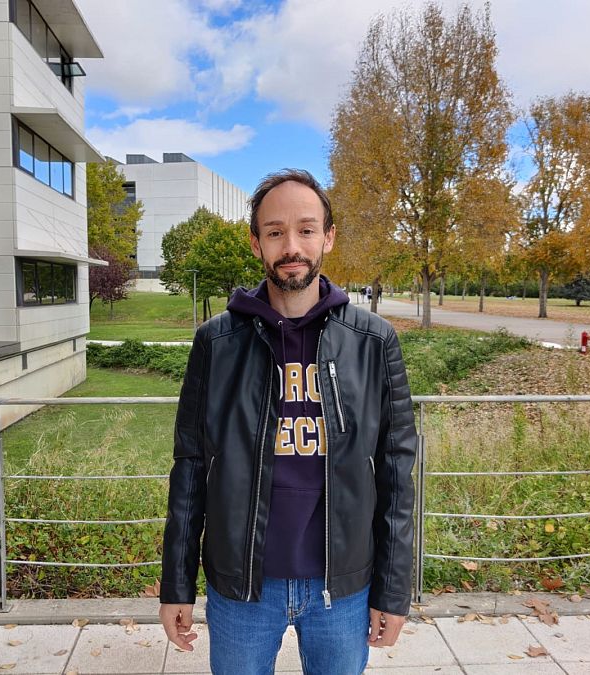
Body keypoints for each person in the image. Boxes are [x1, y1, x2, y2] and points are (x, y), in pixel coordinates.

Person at [159, 169, 417, 675]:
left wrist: (392, 589)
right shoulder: (216, 342)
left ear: (328, 237)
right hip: (242, 589)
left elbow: (396, 473)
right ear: (256, 243)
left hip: (342, 588)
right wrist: (177, 584)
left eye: (306, 229)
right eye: (275, 232)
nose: (291, 246)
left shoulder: (374, 341)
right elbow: (189, 467)